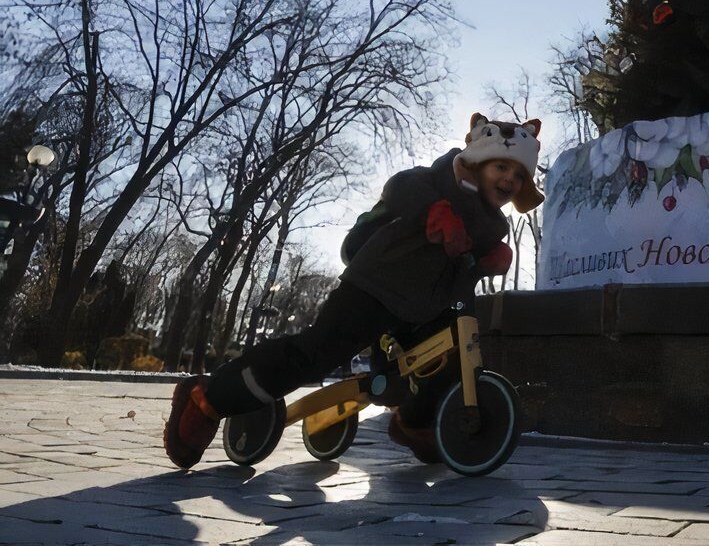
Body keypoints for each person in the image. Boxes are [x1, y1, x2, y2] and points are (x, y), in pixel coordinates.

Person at [163, 114, 543, 469]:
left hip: (423, 308)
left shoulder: (492, 227)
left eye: (518, 175)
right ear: (478, 162)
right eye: (502, 167)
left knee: (446, 357)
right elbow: (399, 188)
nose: (510, 179)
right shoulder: (438, 179)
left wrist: (488, 261)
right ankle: (208, 398)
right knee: (317, 353)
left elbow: (463, 270)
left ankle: (416, 423)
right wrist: (434, 212)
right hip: (376, 286)